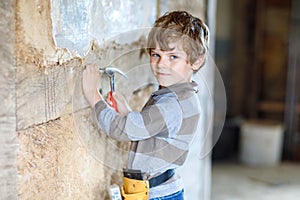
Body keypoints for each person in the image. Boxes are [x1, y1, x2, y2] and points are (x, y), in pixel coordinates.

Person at [83, 10, 209, 200]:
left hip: (155, 195)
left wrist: (93, 96)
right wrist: (127, 112)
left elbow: (121, 131)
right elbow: (154, 131)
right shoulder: (183, 96)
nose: (161, 64)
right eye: (156, 54)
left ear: (196, 61)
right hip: (161, 189)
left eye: (173, 57)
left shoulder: (171, 104)